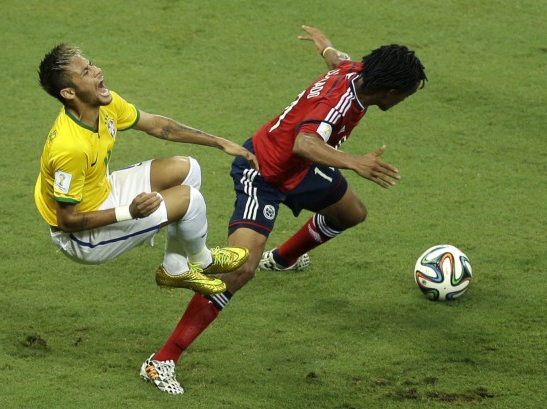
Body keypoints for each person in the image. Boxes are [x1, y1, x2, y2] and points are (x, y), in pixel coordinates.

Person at [137, 25, 428, 395]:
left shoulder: (354, 72)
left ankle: (285, 258)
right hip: (264, 173)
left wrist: (324, 45)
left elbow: (337, 60)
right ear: (389, 90)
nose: (404, 99)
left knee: (351, 212)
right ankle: (162, 360)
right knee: (240, 269)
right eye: (405, 93)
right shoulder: (339, 101)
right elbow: (305, 143)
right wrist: (354, 162)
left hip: (302, 171)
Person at [34, 44, 259, 394]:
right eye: (86, 72)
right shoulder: (69, 147)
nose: (97, 71)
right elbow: (68, 220)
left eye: (92, 64)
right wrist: (129, 212)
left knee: (188, 169)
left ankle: (174, 266)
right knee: (189, 199)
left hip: (100, 193)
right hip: (82, 237)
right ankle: (203, 260)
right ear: (69, 92)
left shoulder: (103, 106)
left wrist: (219, 142)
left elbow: (161, 128)